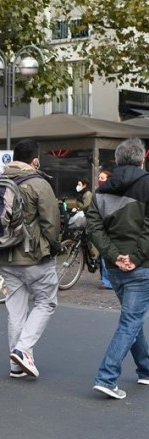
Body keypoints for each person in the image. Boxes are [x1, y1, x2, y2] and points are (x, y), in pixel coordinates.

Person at [86, 137, 149, 400]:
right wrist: (135, 257)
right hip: (141, 266)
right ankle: (107, 376)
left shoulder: (101, 190)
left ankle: (145, 369)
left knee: (131, 320)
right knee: (131, 321)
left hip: (115, 267)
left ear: (118, 159)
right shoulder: (147, 183)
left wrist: (114, 256)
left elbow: (93, 227)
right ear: (142, 157)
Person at [0, 139, 61, 379]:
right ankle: (22, 351)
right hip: (34, 256)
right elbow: (51, 223)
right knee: (46, 302)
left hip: (4, 254)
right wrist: (54, 247)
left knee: (16, 310)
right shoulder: (38, 183)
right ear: (35, 160)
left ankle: (16, 365)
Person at [97, 170, 113, 289]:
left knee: (104, 255)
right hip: (102, 225)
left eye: (102, 178)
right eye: (99, 178)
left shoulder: (110, 192)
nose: (100, 180)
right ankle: (106, 279)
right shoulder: (99, 192)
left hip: (107, 227)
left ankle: (108, 281)